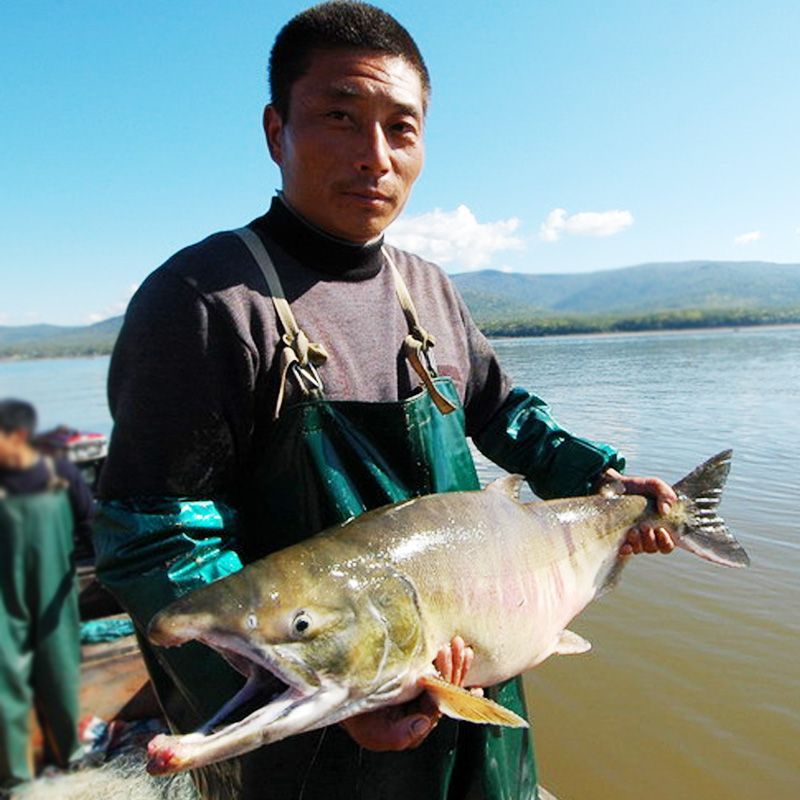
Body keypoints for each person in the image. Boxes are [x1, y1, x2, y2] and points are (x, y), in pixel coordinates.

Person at [94, 3, 676, 799]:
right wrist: (341, 695)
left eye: (401, 129)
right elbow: (152, 536)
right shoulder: (205, 301)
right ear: (276, 131)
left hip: (472, 702)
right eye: (340, 117)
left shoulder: (425, 288)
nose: (375, 156)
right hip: (314, 743)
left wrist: (606, 483)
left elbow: (502, 414)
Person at [0, 399, 94, 793]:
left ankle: (69, 754)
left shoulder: (62, 473)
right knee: (7, 683)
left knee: (59, 671)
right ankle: (16, 776)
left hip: (55, 591)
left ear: (18, 436)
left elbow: (90, 523)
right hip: (5, 598)